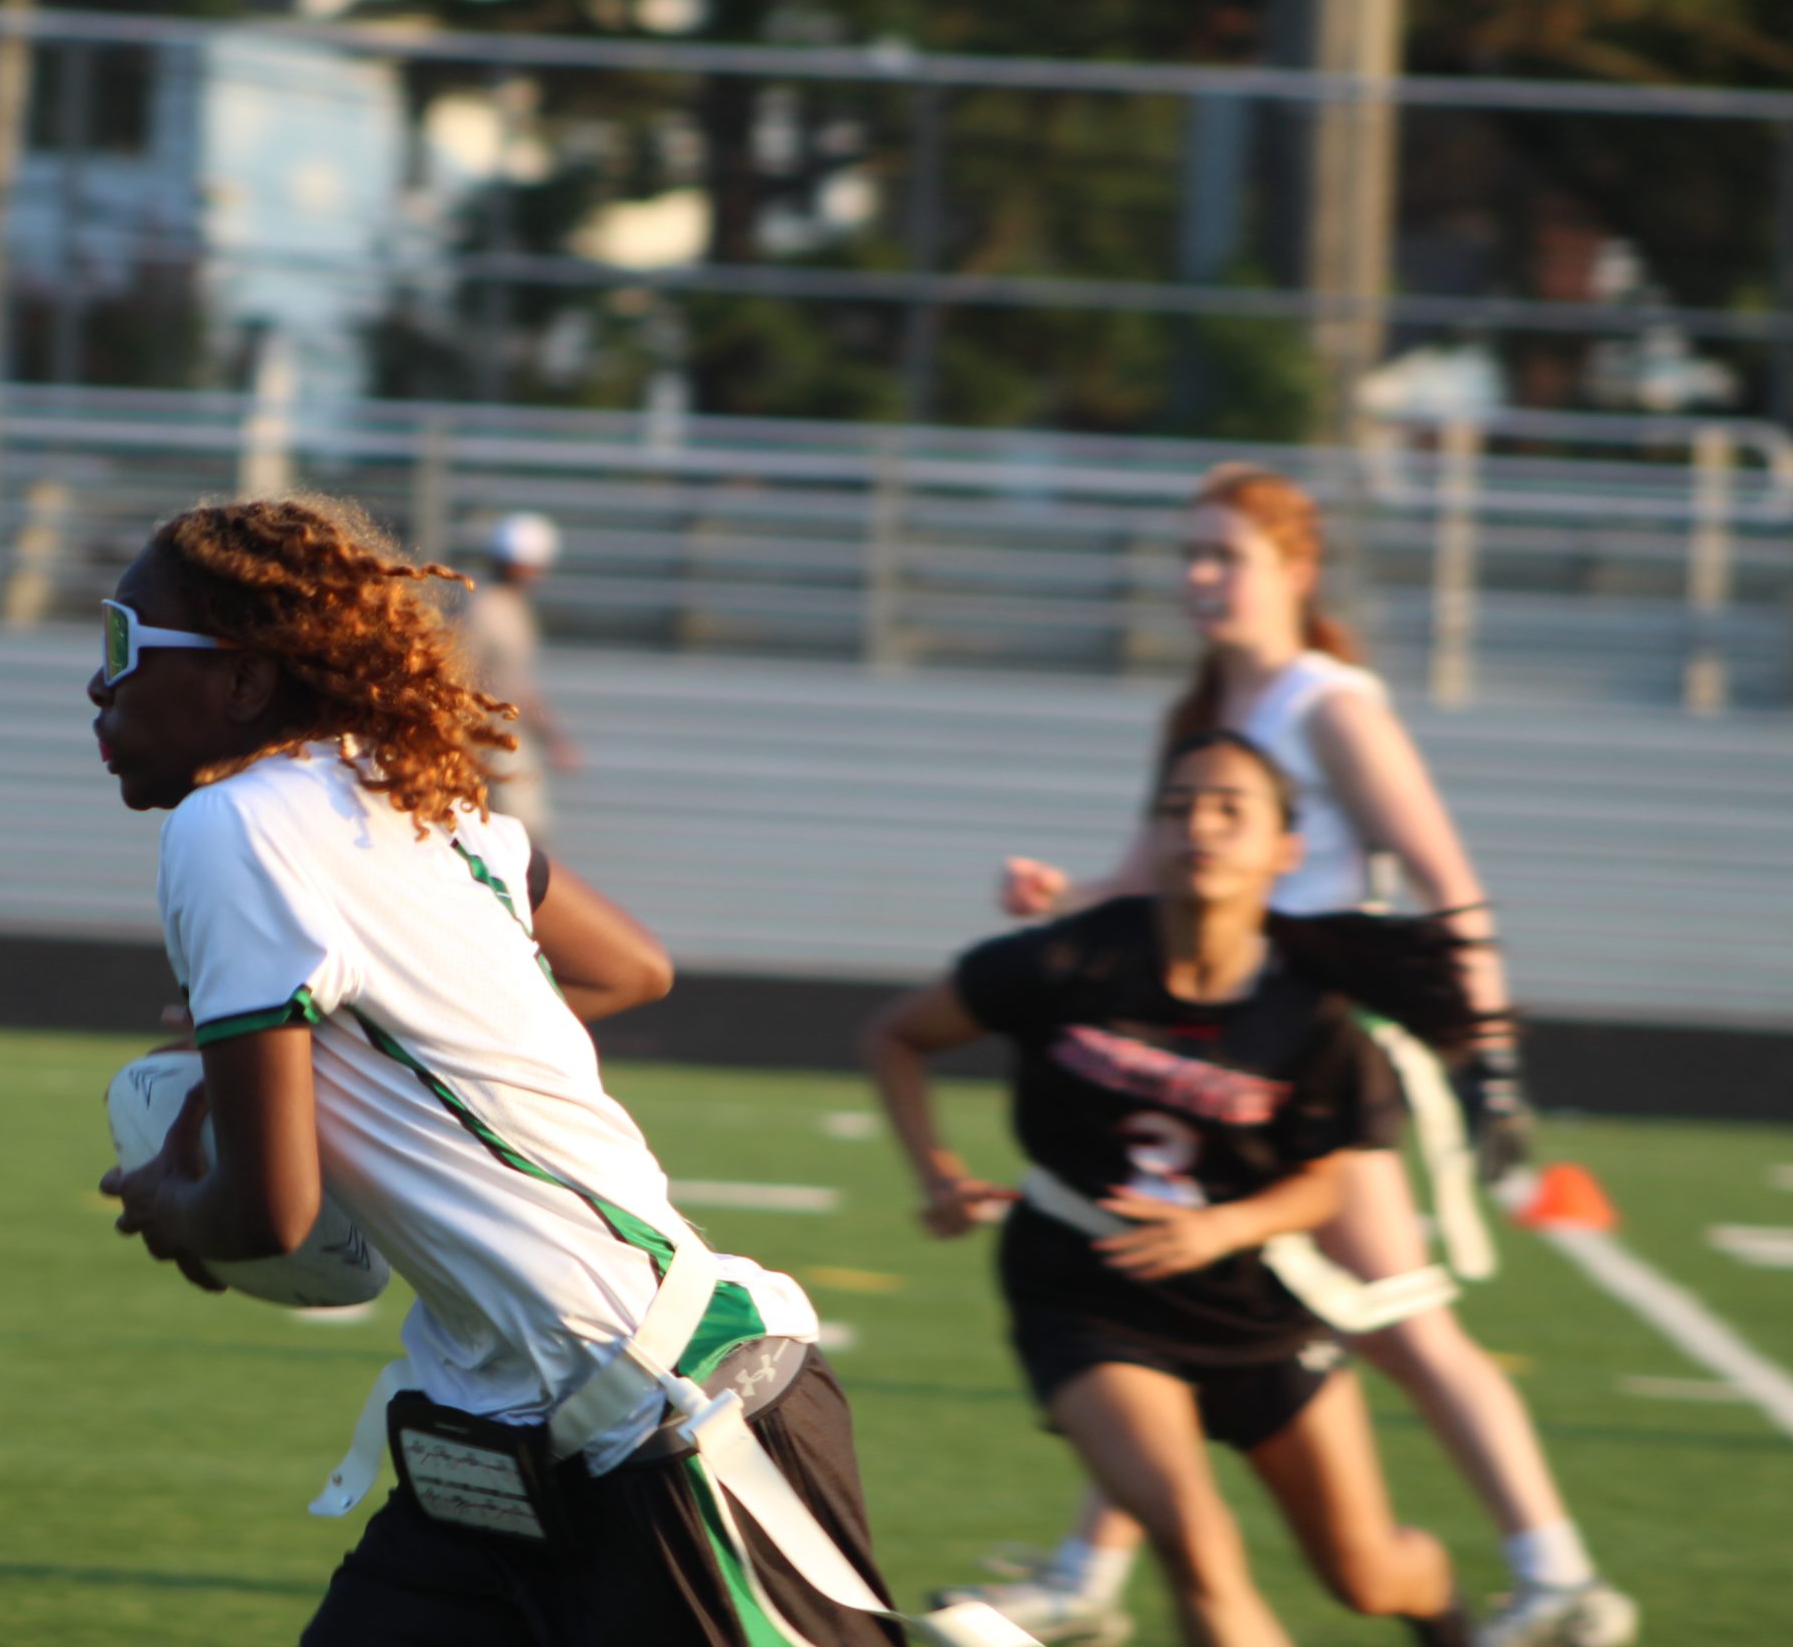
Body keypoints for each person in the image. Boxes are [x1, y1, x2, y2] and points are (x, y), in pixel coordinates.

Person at [90, 494, 968, 1647]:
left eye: (122, 644)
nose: (98, 686)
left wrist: (172, 1207)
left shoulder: (231, 826)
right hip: (490, 1427)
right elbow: (632, 968)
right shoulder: (408, 795)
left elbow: (267, 1210)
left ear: (246, 683)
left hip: (659, 1410)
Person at [961, 465, 1631, 1647]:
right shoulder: (1214, 705)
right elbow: (1146, 874)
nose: (1197, 579)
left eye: (1225, 556)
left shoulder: (1328, 704)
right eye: (1188, 556)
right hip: (1227, 1068)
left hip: (1322, 1071)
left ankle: (1558, 1576)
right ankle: (1082, 1578)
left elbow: (1446, 884)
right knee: (1160, 1305)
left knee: (1402, 1323)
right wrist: (1062, 895)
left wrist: (1495, 1062)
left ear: (1295, 570)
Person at [864, 729, 1481, 1647]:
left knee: (1366, 1572)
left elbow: (1330, 1185)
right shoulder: (1071, 958)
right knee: (1193, 1537)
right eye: (1180, 803)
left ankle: (1445, 1614)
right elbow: (896, 1035)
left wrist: (1226, 1226)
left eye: (1233, 807)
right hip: (1086, 1288)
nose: (1202, 822)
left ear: (1285, 848)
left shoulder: (1310, 1006)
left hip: (1250, 1299)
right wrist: (937, 1172)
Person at [459, 511, 583, 840]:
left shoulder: (510, 607)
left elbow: (518, 684)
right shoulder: (487, 609)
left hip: (506, 736)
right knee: (520, 833)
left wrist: (551, 737)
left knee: (517, 832)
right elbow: (462, 674)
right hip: (489, 737)